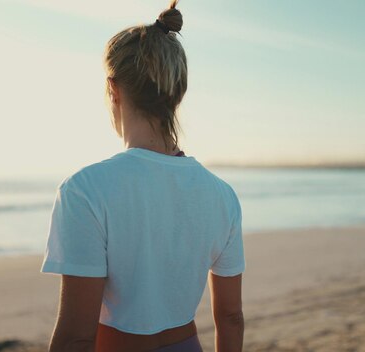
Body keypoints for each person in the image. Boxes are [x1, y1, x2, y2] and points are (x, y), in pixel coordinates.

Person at [39, 1, 246, 351]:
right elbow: (231, 317)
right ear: (177, 93)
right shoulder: (222, 195)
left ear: (113, 89)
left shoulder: (86, 190)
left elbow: (76, 336)